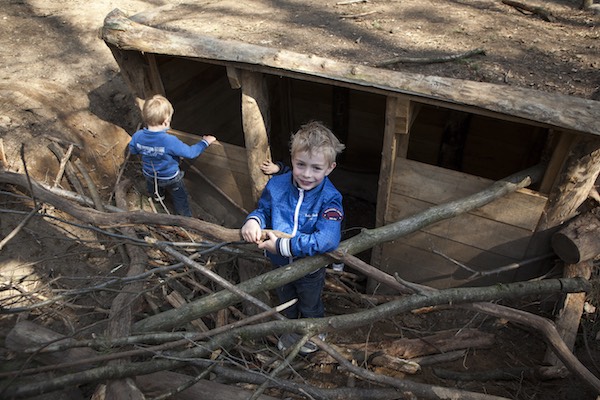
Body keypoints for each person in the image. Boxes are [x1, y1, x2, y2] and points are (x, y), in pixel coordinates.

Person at [240, 121, 345, 354]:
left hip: (309, 267)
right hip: (278, 264)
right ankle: (291, 330)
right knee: (286, 299)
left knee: (309, 302)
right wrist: (253, 220)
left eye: (317, 168)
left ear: (330, 168)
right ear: (292, 159)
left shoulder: (330, 198)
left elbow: (327, 240)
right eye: (300, 165)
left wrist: (283, 245)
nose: (307, 174)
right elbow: (264, 210)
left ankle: (313, 332)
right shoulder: (277, 185)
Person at [129, 94, 217, 217]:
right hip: (170, 177)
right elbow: (190, 153)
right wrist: (204, 142)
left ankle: (158, 198)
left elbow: (133, 150)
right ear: (166, 122)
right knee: (180, 196)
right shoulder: (169, 141)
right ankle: (185, 218)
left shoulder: (138, 136)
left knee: (154, 186)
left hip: (149, 173)